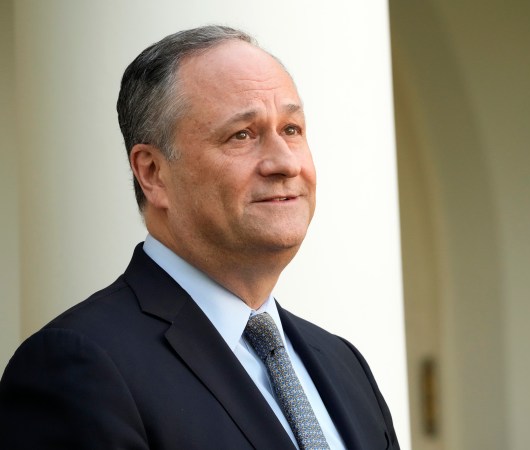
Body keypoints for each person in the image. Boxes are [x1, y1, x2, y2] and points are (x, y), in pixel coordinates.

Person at [0, 25, 399, 450]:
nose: (284, 163)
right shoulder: (76, 367)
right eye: (241, 134)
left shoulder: (343, 363)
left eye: (292, 130)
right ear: (153, 172)